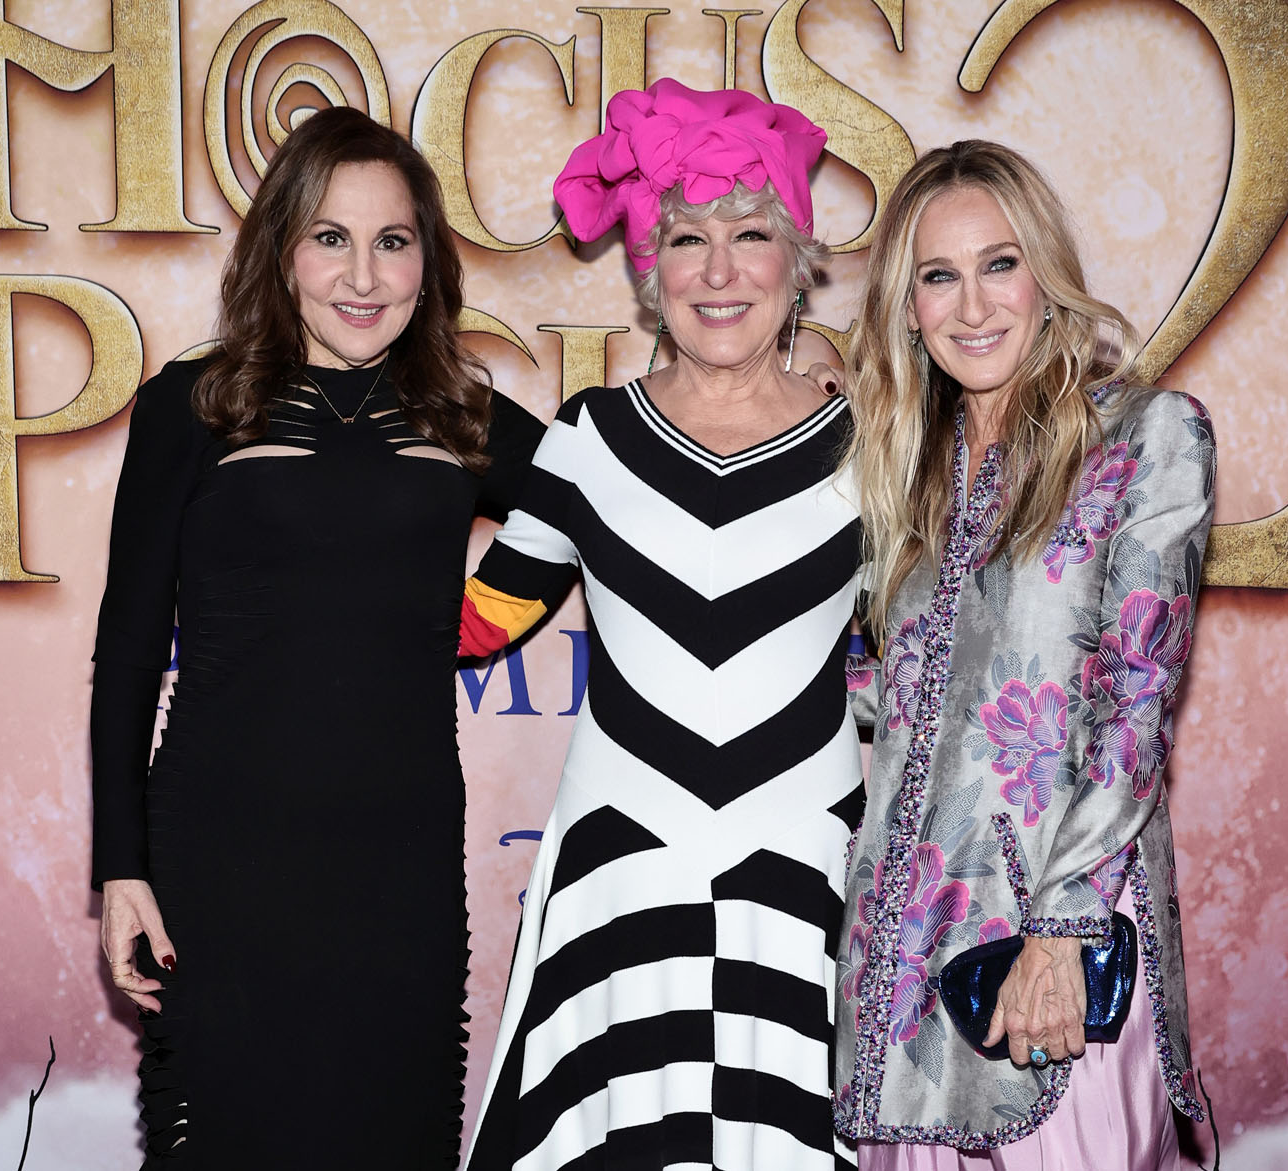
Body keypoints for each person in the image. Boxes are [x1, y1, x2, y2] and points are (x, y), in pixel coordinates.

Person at [90, 105, 544, 1169]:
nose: (363, 275)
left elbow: (614, 500)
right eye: (330, 237)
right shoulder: (194, 405)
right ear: (281, 251)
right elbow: (128, 647)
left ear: (429, 264)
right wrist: (121, 866)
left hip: (400, 859)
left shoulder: (461, 415)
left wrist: (479, 622)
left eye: (394, 240)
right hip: (221, 856)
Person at [458, 80, 862, 1170]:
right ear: (651, 269)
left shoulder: (873, 448)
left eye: (751, 235)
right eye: (688, 239)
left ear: (797, 259)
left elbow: (943, 654)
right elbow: (479, 624)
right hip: (621, 869)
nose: (720, 272)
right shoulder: (586, 438)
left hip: (807, 867)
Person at [833, 140, 1214, 1169]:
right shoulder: (902, 474)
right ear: (907, 305)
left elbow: (1136, 708)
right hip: (905, 973)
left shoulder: (1143, 437)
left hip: (1054, 934)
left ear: (1045, 274)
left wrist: (1061, 930)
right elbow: (889, 704)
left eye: (999, 264)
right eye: (938, 275)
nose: (972, 305)